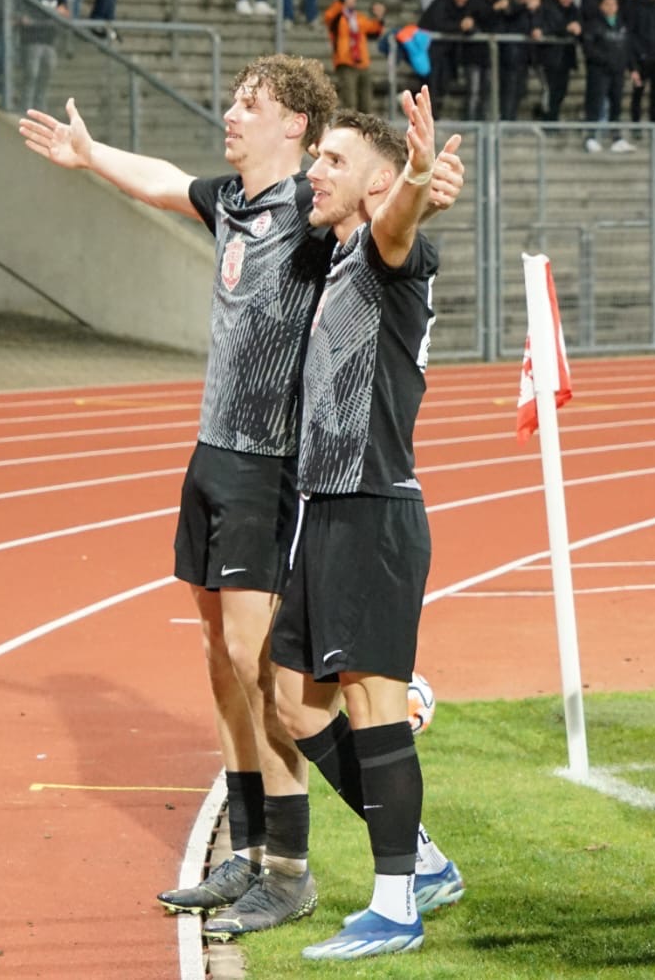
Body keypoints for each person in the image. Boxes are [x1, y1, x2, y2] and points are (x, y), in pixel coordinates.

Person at [17, 56, 465, 942]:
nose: (229, 113)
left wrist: (414, 178)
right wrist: (90, 153)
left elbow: (400, 227)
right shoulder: (237, 202)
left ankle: (305, 865)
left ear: (296, 126)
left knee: (267, 671)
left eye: (247, 104)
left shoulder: (325, 217)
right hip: (214, 456)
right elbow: (162, 182)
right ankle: (257, 842)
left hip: (288, 472)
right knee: (229, 664)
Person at [270, 88, 463, 960]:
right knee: (293, 703)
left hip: (371, 507)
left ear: (378, 183)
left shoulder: (389, 254)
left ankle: (397, 904)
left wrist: (418, 177)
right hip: (325, 510)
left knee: (371, 704)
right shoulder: (335, 257)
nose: (318, 168)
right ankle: (418, 860)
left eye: (334, 161)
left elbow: (399, 227)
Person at [582, 0, 641, 153]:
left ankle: (616, 138)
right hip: (599, 71)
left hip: (618, 71)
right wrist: (607, 59)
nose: (610, 7)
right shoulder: (593, 24)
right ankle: (591, 137)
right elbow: (589, 48)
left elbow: (628, 49)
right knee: (595, 103)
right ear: (601, 6)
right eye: (607, 4)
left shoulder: (622, 25)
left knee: (617, 104)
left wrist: (633, 69)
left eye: (613, 4)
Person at [325, 0, 386, 112]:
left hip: (362, 63)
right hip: (345, 62)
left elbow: (374, 30)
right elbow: (330, 15)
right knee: (349, 102)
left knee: (366, 103)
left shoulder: (358, 17)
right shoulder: (336, 16)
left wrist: (379, 17)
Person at [21, 0, 71, 114]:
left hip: (50, 39)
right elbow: (31, 11)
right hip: (33, 38)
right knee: (32, 74)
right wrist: (54, 12)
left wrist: (55, 13)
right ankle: (26, 109)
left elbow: (65, 12)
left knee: (47, 74)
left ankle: (40, 110)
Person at [536, 0, 585, 120]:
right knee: (551, 89)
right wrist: (566, 28)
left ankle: (553, 116)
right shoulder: (547, 8)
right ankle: (548, 118)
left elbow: (580, 26)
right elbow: (548, 28)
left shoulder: (574, 10)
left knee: (562, 90)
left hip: (566, 57)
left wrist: (578, 28)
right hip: (549, 56)